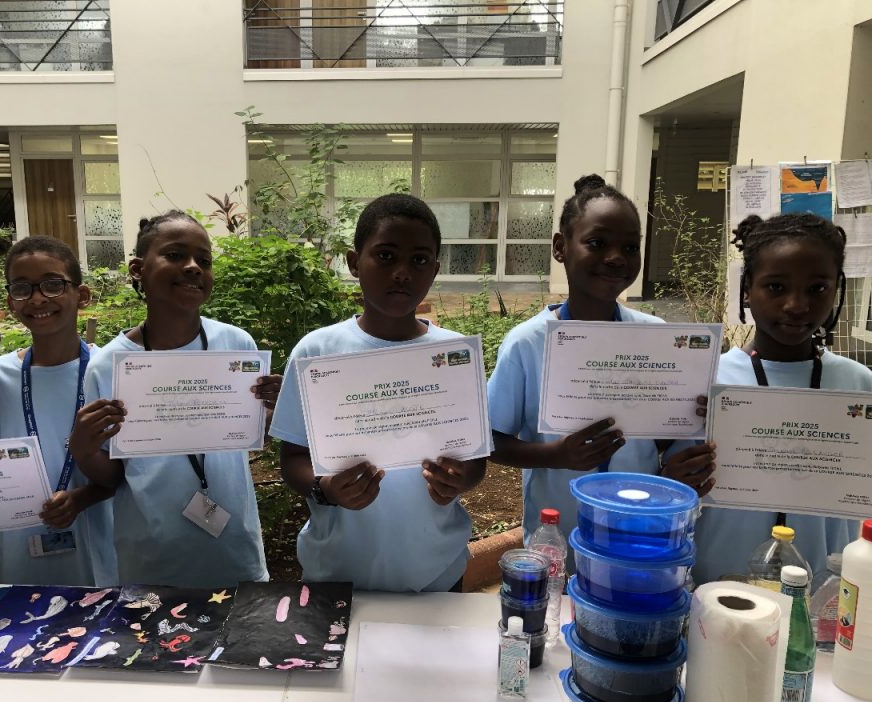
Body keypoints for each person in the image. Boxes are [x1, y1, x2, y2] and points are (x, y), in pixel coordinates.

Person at [487, 174, 711, 564]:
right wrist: (557, 455)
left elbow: (665, 443)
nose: (616, 258)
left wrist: (688, 427)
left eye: (630, 247)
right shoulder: (528, 343)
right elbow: (491, 441)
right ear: (561, 247)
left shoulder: (659, 339)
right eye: (597, 243)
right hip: (556, 543)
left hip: (639, 535)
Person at [271, 193, 487, 592]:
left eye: (419, 260)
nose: (402, 272)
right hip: (337, 573)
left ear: (435, 270)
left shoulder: (455, 354)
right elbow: (293, 458)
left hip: (436, 573)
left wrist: (460, 480)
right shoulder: (317, 351)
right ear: (355, 263)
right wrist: (326, 489)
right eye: (386, 256)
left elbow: (475, 461)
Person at [69, 210, 281, 588]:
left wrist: (270, 412)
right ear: (138, 269)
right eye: (175, 255)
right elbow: (115, 475)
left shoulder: (236, 345)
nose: (194, 266)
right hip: (151, 560)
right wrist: (84, 451)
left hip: (235, 553)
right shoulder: (109, 365)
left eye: (204, 260)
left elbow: (247, 438)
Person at [691, 212, 871, 584]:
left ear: (836, 288)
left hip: (822, 593)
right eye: (776, 287)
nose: (796, 305)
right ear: (747, 288)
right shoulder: (709, 382)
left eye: (817, 288)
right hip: (719, 588)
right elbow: (676, 490)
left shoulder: (858, 385)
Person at [0, 235, 117, 586]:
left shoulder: (108, 371)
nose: (38, 298)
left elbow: (128, 469)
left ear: (82, 295)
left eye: (53, 284)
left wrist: (81, 498)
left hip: (96, 549)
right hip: (18, 550)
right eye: (22, 288)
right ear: (11, 302)